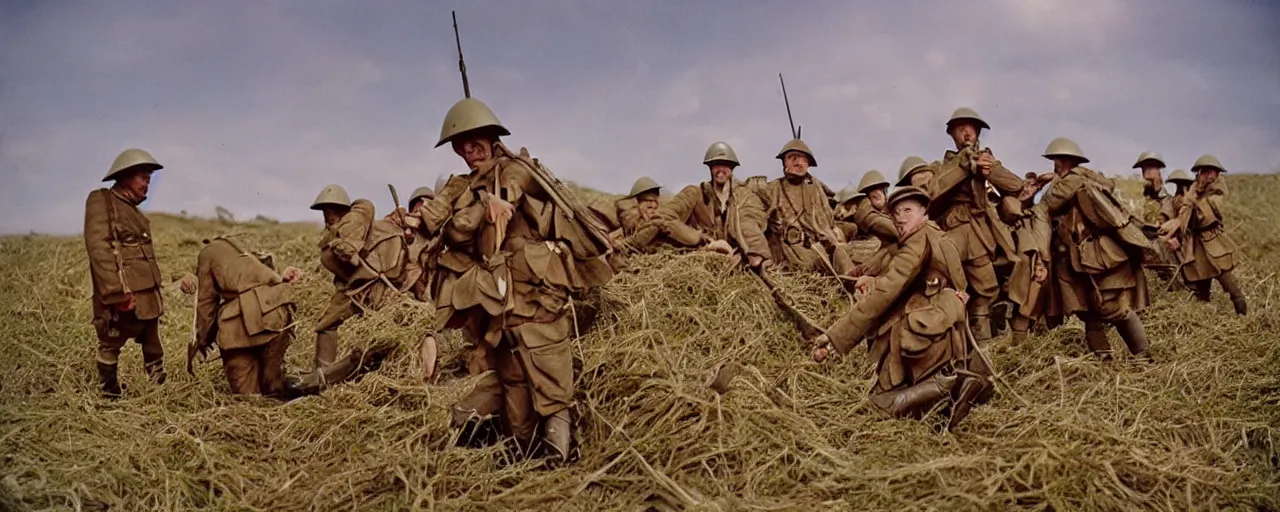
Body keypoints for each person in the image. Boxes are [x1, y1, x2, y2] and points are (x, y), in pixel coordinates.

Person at [390, 97, 614, 461]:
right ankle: (520, 453)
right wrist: (414, 220)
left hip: (536, 294)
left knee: (550, 376)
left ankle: (562, 458)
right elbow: (440, 220)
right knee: (511, 379)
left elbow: (503, 197)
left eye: (475, 140)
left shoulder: (515, 168)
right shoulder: (460, 185)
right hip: (496, 302)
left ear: (492, 136)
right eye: (461, 146)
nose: (469, 150)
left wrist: (489, 204)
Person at [810, 187, 994, 431]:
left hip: (922, 338)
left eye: (908, 210)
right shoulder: (937, 235)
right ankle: (957, 386)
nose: (900, 217)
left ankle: (948, 385)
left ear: (923, 212)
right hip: (947, 335)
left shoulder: (917, 242)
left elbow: (887, 291)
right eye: (896, 212)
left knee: (881, 402)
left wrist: (837, 337)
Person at [1038, 137, 1152, 360]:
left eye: (1056, 161)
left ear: (1063, 161)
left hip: (1095, 255)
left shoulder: (1072, 180)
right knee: (1089, 312)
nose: (1054, 165)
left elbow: (1049, 204)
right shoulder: (1088, 178)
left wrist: (1049, 183)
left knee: (1113, 308)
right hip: (1082, 257)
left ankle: (1144, 355)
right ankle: (1107, 360)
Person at [926, 108, 1024, 341]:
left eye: (971, 128)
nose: (967, 133)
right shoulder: (942, 166)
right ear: (952, 134)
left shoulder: (986, 158)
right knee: (945, 289)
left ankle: (983, 353)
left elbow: (1015, 185)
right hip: (952, 233)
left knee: (986, 292)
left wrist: (991, 170)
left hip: (980, 235)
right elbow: (931, 194)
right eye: (961, 129)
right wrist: (962, 166)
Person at [84, 148, 168, 398]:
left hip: (147, 296)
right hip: (123, 297)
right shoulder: (103, 202)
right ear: (126, 176)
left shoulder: (135, 212)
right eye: (143, 177)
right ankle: (109, 395)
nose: (147, 184)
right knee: (110, 344)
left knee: (153, 346)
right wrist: (115, 293)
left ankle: (160, 393)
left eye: (149, 179)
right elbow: (99, 249)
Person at [182, 237, 302, 397]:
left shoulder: (207, 254)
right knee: (273, 379)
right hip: (275, 310)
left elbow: (206, 303)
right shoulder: (246, 248)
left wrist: (202, 341)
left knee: (247, 394)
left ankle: (261, 393)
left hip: (237, 327)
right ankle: (282, 388)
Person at [308, 184, 408, 375]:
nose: (328, 215)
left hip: (376, 287)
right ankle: (323, 374)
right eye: (325, 210)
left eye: (332, 209)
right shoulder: (333, 235)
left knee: (388, 332)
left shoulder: (356, 219)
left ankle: (387, 372)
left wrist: (345, 246)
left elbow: (352, 247)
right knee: (326, 324)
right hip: (352, 289)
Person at [659, 142, 771, 268]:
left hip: (733, 255)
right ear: (711, 168)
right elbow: (665, 217)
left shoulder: (743, 195)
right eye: (717, 165)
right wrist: (701, 238)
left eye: (726, 165)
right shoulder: (697, 194)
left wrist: (756, 250)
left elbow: (749, 220)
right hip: (700, 254)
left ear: (732, 169)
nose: (721, 170)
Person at [1160, 155, 1248, 315]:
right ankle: (1204, 313)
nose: (1209, 176)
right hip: (1197, 246)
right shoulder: (1194, 190)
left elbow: (1205, 215)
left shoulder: (1218, 192)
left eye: (1212, 172)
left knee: (1228, 281)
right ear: (1199, 173)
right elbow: (1184, 212)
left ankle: (1243, 316)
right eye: (1205, 172)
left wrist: (1185, 214)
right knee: (1201, 280)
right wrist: (1174, 224)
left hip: (1213, 243)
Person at [760, 139, 853, 275]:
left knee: (841, 256)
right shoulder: (773, 189)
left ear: (808, 164)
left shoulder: (815, 189)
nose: (798, 163)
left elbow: (827, 221)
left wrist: (834, 235)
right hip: (791, 252)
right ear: (784, 162)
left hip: (820, 247)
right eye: (793, 158)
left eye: (803, 159)